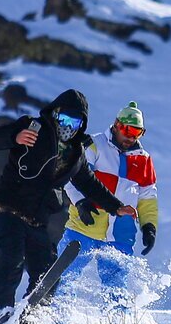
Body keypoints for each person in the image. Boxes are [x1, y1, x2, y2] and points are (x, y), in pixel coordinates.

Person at [0, 89, 136, 324]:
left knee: (47, 270)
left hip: (36, 217)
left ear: (81, 125)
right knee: (11, 258)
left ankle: (34, 316)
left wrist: (116, 207)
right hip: (7, 206)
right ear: (54, 114)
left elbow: (89, 183)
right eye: (63, 119)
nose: (68, 126)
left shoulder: (76, 152)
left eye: (75, 122)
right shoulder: (33, 127)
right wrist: (15, 137)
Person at [58, 101, 158, 301]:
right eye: (127, 129)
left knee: (116, 287)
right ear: (116, 125)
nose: (130, 136)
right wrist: (79, 202)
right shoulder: (94, 145)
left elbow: (148, 197)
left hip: (120, 232)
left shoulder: (143, 159)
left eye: (137, 132)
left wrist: (149, 226)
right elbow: (72, 176)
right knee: (66, 276)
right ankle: (55, 320)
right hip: (85, 223)